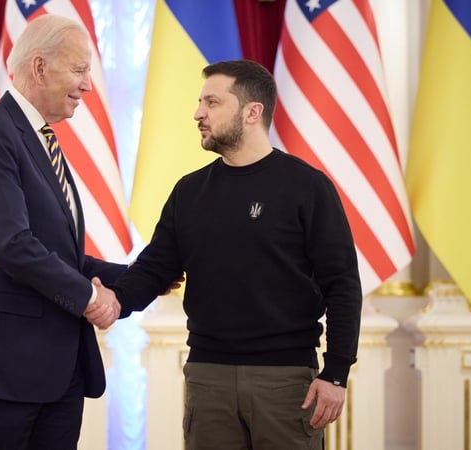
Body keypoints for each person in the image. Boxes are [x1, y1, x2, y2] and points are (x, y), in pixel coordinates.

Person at [96, 59, 363, 449]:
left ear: (252, 112)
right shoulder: (189, 192)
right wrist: (113, 301)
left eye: (212, 103)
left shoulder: (308, 188)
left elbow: (342, 285)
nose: (197, 113)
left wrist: (336, 372)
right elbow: (155, 268)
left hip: (287, 380)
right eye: (200, 102)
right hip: (208, 377)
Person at [0, 14, 127, 450]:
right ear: (40, 67)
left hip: (57, 370)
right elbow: (11, 245)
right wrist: (91, 298)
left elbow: (57, 252)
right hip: (4, 369)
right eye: (79, 70)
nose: (87, 86)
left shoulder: (40, 139)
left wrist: (136, 278)